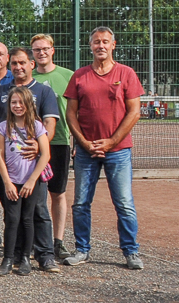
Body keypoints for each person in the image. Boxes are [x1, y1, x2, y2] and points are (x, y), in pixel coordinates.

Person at [63, 26, 143, 270]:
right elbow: (71, 114)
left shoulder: (126, 73)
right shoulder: (80, 76)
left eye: (105, 42)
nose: (101, 45)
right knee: (80, 203)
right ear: (90, 46)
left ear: (113, 45)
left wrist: (111, 142)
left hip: (118, 151)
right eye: (96, 41)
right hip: (87, 152)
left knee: (124, 203)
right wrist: (85, 143)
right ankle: (82, 250)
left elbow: (134, 112)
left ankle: (131, 252)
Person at [0, 47, 63, 272]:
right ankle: (15, 256)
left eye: (23, 63)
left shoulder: (44, 91)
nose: (18, 67)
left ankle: (45, 255)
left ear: (31, 64)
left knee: (37, 210)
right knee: (13, 214)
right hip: (9, 168)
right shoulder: (0, 91)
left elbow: (49, 124)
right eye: (14, 64)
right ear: (10, 65)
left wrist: (39, 146)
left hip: (33, 168)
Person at [0, 87, 52, 276]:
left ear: (29, 104)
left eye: (21, 102)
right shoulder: (3, 127)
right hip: (11, 182)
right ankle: (8, 258)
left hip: (30, 182)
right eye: (13, 102)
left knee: (28, 219)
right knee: (11, 219)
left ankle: (26, 257)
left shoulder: (36, 126)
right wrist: (7, 182)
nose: (17, 106)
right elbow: (0, 156)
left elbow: (45, 155)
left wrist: (32, 180)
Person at [29, 33, 76, 259]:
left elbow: (77, 112)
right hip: (30, 146)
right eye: (37, 50)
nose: (41, 53)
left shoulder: (68, 76)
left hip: (58, 142)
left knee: (58, 192)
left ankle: (58, 241)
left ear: (52, 50)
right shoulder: (28, 77)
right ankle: (32, 240)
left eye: (45, 48)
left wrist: (76, 139)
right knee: (33, 194)